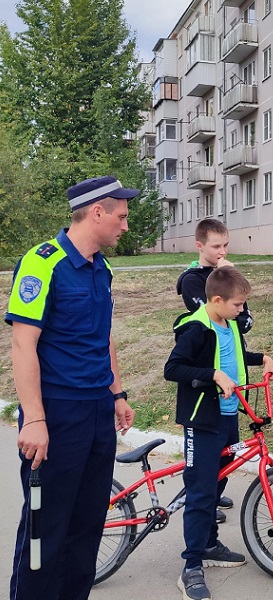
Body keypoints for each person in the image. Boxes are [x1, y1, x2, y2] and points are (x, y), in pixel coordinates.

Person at [6, 175, 137, 600]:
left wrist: (116, 393)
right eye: (121, 216)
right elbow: (24, 345)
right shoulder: (43, 264)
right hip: (57, 413)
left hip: (98, 410)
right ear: (96, 212)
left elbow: (104, 335)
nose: (125, 226)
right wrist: (36, 419)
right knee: (47, 527)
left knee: (87, 525)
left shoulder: (103, 267)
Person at [164, 266, 273, 600]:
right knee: (200, 492)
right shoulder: (196, 328)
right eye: (239, 305)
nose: (242, 311)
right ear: (217, 300)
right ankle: (191, 566)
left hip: (228, 416)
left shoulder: (227, 325)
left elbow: (238, 355)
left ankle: (210, 543)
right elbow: (173, 368)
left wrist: (266, 359)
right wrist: (213, 374)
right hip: (202, 421)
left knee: (217, 483)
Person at [176, 218, 251, 522]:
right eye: (216, 246)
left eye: (225, 245)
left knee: (226, 453)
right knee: (203, 465)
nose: (222, 252)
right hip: (206, 381)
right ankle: (202, 502)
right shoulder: (194, 279)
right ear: (200, 246)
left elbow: (244, 320)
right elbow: (212, 317)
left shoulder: (229, 282)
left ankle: (212, 497)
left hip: (229, 380)